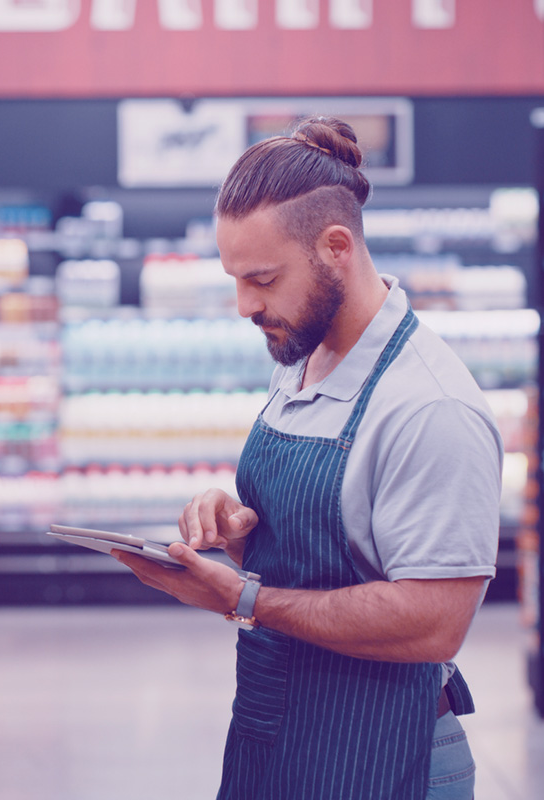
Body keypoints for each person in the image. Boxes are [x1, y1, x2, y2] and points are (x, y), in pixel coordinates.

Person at [113, 115, 502, 800]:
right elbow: (327, 549)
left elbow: (438, 621)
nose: (244, 305)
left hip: (387, 756)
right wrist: (240, 532)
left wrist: (245, 597)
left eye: (262, 278)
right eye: (235, 278)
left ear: (335, 247)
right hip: (279, 736)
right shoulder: (302, 356)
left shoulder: (429, 405)